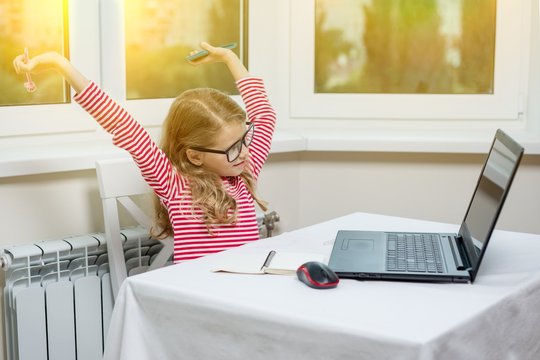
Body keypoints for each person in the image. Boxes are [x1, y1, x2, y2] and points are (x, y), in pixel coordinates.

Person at [13, 42, 276, 263]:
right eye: (232, 148)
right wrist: (61, 65)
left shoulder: (243, 170)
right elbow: (124, 125)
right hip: (199, 300)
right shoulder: (174, 184)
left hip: (243, 291)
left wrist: (230, 58)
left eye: (245, 140)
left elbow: (264, 116)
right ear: (195, 155)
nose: (244, 152)